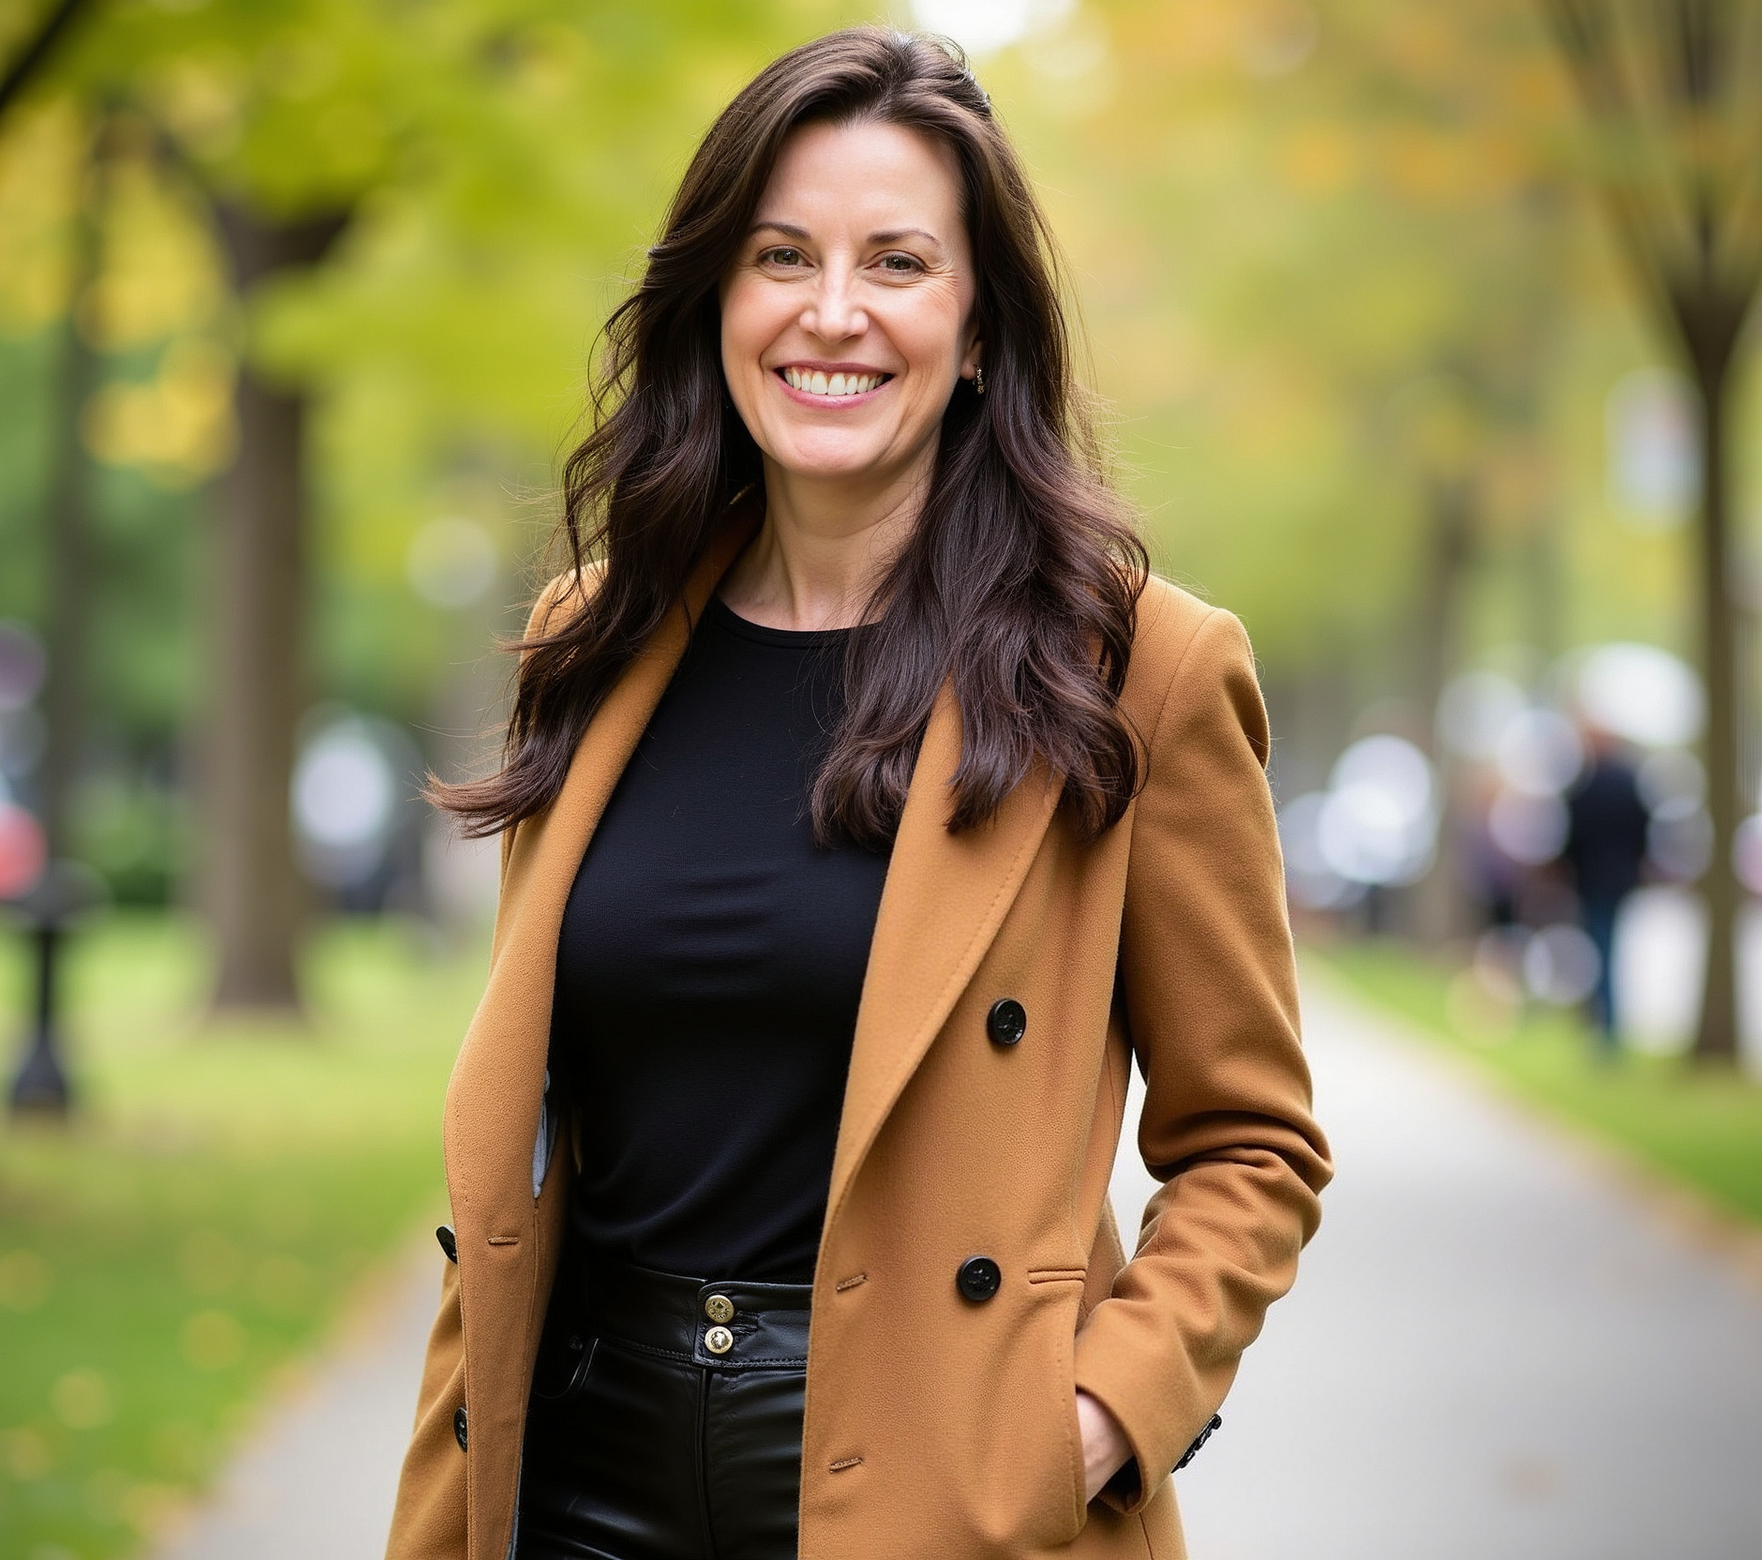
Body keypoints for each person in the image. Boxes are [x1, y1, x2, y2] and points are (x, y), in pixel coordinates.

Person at [387, 28, 1330, 1560]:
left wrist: (1095, 1418)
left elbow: (1252, 1143)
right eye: (782, 256)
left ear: (974, 334)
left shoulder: (1136, 670)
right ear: (716, 308)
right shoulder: (596, 638)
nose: (833, 314)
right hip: (568, 1472)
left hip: (946, 1491)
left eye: (898, 262)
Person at [1561, 727, 1651, 1052]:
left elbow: (1572, 835)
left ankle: (1605, 1026)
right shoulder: (1629, 782)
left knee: (1600, 951)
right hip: (1620, 880)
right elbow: (1644, 829)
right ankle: (1605, 1023)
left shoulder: (1585, 783)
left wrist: (1568, 868)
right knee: (1608, 951)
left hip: (1592, 881)